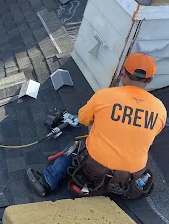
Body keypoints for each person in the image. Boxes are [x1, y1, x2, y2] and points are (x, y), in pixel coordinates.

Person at [27, 53, 167, 198]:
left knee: (74, 148)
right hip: (128, 178)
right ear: (150, 80)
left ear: (123, 73)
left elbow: (83, 119)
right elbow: (150, 133)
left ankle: (48, 180)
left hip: (94, 171)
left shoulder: (104, 96)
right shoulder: (160, 109)